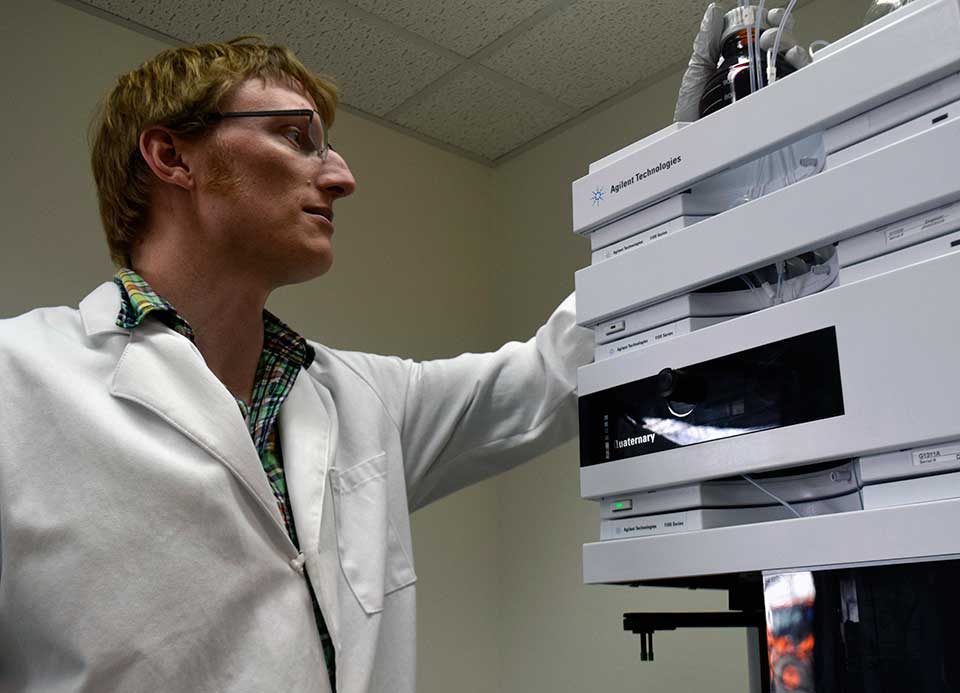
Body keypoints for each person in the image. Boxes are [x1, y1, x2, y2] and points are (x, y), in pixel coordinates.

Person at [0, 38, 592, 692]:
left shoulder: (365, 398)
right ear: (172, 157)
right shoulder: (16, 379)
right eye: (294, 137)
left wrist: (666, 207)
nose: (342, 178)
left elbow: (554, 373)